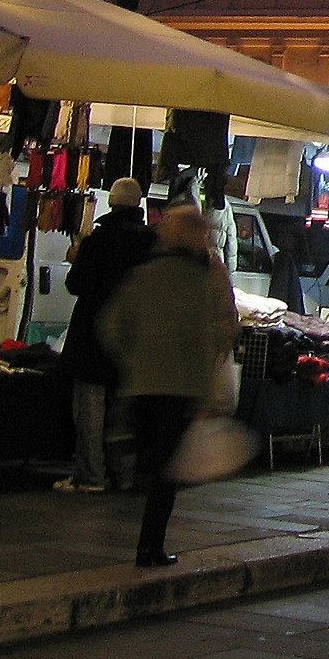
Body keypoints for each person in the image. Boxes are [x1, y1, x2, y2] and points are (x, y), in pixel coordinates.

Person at [97, 204, 236, 568]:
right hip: (181, 388)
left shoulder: (144, 274)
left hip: (141, 384)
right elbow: (211, 337)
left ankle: (125, 533)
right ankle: (149, 546)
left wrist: (133, 361)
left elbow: (111, 325)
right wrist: (208, 393)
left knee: (146, 462)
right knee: (165, 472)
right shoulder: (201, 279)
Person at [57, 178, 155, 493]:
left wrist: (77, 257)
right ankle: (123, 475)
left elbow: (76, 284)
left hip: (92, 336)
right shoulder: (150, 243)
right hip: (133, 339)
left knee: (90, 411)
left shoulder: (98, 240)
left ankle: (91, 476)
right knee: (122, 415)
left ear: (112, 202)